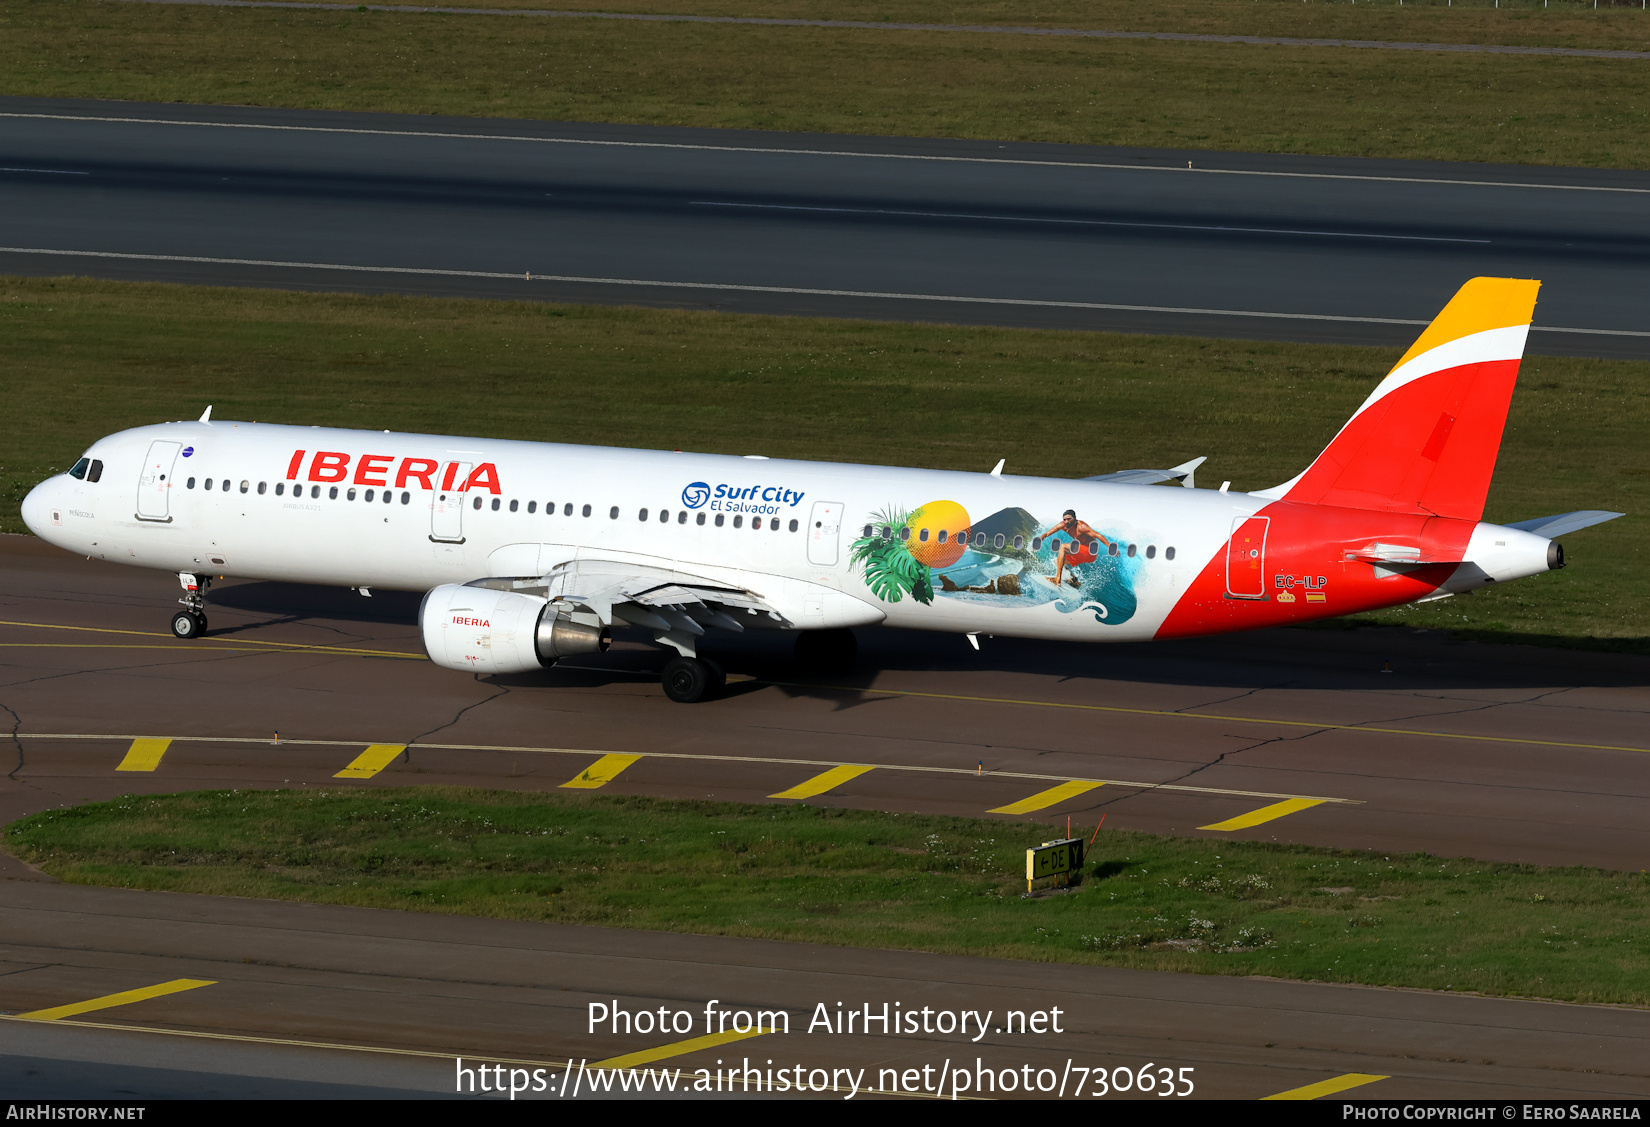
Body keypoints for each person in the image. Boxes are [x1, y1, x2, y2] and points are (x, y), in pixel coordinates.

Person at [1038, 510, 1111, 588]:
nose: (1066, 522)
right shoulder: (1063, 525)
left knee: (1063, 547)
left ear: (1075, 518)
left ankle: (1057, 580)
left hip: (1089, 552)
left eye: (1069, 519)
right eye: (1064, 519)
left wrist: (1109, 546)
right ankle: (1074, 580)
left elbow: (1098, 535)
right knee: (1058, 561)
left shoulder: (1081, 526)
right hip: (1080, 552)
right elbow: (1048, 533)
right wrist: (1041, 537)